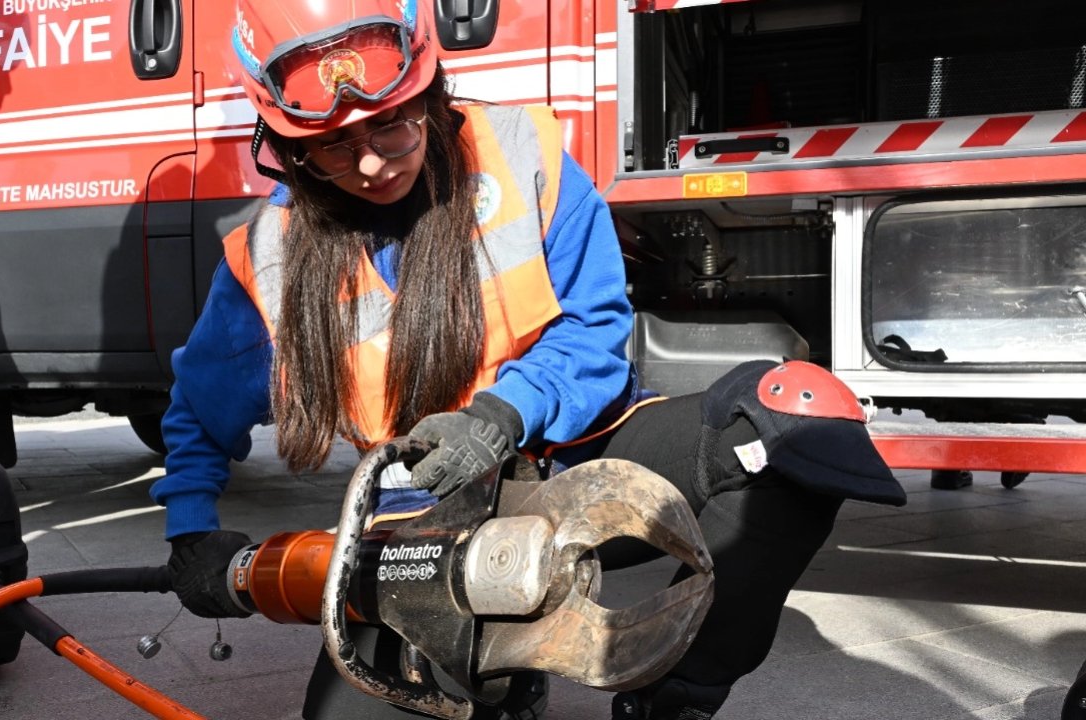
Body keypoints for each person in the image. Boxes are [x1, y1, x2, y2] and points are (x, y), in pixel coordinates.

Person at [150, 1, 908, 718]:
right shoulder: (269, 261)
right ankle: (501, 677)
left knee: (791, 419)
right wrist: (190, 535)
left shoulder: (521, 157)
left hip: (580, 465)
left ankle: (676, 695)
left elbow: (593, 328)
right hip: (430, 525)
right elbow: (197, 411)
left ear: (429, 91)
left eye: (391, 127)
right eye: (332, 148)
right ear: (284, 146)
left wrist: (503, 414)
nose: (374, 164)